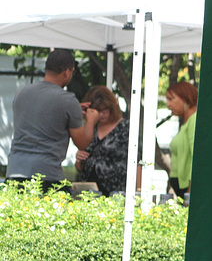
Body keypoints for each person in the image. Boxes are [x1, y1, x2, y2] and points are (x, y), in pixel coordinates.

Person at [6, 49, 92, 193]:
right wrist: (91, 121)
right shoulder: (68, 100)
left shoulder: (22, 92)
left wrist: (74, 110)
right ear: (67, 71)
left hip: (15, 170)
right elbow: (82, 143)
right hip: (46, 174)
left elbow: (40, 114)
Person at [75, 86, 129, 196]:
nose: (101, 114)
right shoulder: (90, 128)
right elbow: (81, 165)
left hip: (115, 192)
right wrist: (79, 160)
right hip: (89, 192)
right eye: (97, 111)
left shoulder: (125, 128)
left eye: (104, 109)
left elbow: (137, 161)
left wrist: (138, 189)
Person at [166, 81, 197, 200]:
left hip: (187, 189)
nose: (168, 104)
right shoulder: (187, 122)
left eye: (171, 99)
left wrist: (190, 190)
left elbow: (195, 156)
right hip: (181, 188)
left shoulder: (194, 120)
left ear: (186, 98)